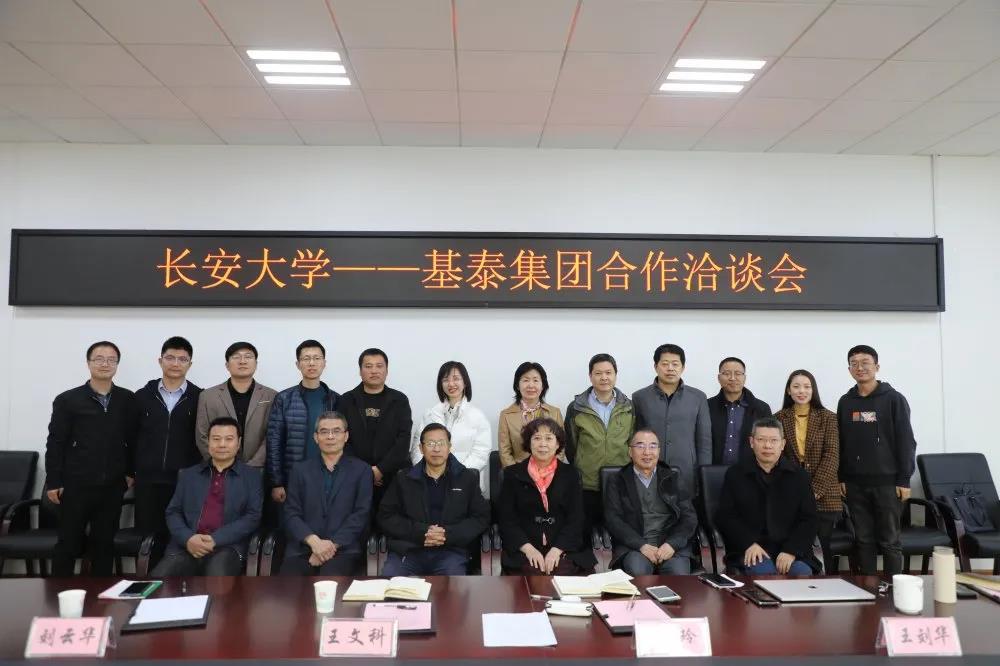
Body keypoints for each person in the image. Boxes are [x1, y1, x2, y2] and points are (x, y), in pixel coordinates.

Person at [45, 341, 138, 576]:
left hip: (112, 486)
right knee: (68, 543)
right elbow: (56, 443)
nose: (105, 364)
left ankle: (100, 595)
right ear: (88, 363)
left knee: (104, 544)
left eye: (111, 359)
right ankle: (59, 594)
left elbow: (133, 440)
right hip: (76, 485)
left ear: (117, 364)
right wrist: (54, 481)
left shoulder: (127, 399)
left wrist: (130, 472)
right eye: (99, 358)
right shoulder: (68, 400)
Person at [837, 345, 916, 576]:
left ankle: (893, 588)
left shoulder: (894, 399)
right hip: (854, 484)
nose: (860, 367)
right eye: (854, 364)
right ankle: (868, 588)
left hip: (887, 483)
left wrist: (904, 479)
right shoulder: (846, 401)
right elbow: (841, 441)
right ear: (849, 369)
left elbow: (906, 441)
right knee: (863, 539)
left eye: (865, 362)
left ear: (877, 367)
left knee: (890, 540)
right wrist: (842, 476)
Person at [152, 417, 263, 576]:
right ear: (208, 443)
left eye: (229, 439)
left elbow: (252, 517)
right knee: (158, 580)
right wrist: (188, 538)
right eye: (216, 439)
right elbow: (173, 512)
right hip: (187, 546)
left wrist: (215, 539)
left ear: (238, 443)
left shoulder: (252, 477)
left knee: (216, 579)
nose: (222, 444)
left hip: (227, 547)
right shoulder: (189, 475)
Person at [379, 423, 491, 575]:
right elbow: (386, 516)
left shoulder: (466, 478)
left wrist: (447, 534)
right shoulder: (403, 478)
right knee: (391, 584)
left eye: (441, 443)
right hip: (408, 550)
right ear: (421, 448)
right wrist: (421, 532)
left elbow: (481, 517)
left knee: (451, 587)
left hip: (451, 552)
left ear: (449, 447)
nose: (436, 449)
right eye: (431, 444)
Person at [715, 417, 820, 576]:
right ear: (751, 442)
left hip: (790, 550)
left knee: (801, 573)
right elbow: (725, 516)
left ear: (782, 444)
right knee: (765, 573)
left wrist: (791, 550)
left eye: (773, 440)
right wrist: (748, 543)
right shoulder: (735, 474)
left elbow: (809, 519)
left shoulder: (799, 476)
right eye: (761, 440)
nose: (767, 446)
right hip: (750, 548)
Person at [133, 336, 202, 565]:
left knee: (181, 538)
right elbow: (129, 437)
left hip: (185, 480)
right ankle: (150, 582)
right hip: (148, 480)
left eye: (182, 359)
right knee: (148, 539)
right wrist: (130, 471)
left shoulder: (200, 397)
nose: (175, 363)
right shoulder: (141, 396)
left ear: (190, 364)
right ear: (160, 360)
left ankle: (179, 584)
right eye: (170, 357)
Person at [498, 417, 596, 575]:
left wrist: (557, 550)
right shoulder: (512, 474)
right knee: (534, 573)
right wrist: (528, 549)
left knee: (562, 573)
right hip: (525, 548)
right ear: (529, 443)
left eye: (549, 438)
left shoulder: (571, 474)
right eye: (537, 438)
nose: (542, 444)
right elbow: (507, 520)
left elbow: (576, 519)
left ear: (557, 444)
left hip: (564, 547)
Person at [281, 411, 373, 575]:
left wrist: (330, 546)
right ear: (316, 437)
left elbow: (361, 514)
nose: (330, 436)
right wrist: (314, 542)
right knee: (288, 586)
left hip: (343, 550)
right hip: (303, 548)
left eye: (336, 431)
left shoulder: (362, 470)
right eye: (324, 432)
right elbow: (291, 513)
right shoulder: (300, 470)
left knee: (330, 582)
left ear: (346, 436)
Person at [603, 429, 698, 575]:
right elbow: (613, 520)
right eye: (640, 446)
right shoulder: (617, 481)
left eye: (653, 446)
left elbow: (689, 518)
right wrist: (641, 545)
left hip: (670, 546)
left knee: (678, 575)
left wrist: (672, 544)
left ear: (659, 451)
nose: (647, 452)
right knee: (638, 572)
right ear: (630, 452)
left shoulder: (673, 478)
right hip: (635, 547)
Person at [775, 369, 841, 574]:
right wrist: (797, 492)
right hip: (791, 494)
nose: (801, 391)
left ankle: (829, 585)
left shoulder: (829, 418)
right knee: (799, 548)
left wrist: (813, 492)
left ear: (813, 390)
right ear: (788, 390)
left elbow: (832, 455)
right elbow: (778, 457)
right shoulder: (778, 418)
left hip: (825, 495)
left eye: (806, 386)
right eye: (796, 386)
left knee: (825, 549)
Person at [564, 353, 635, 538]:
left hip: (620, 481)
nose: (604, 377)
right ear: (590, 376)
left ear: (615, 375)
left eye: (608, 372)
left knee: (618, 534)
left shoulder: (629, 407)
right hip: (588, 483)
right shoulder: (576, 407)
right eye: (598, 373)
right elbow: (571, 445)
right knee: (587, 533)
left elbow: (632, 442)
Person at [266, 340, 340, 508]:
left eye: (316, 358)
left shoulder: (335, 399)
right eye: (306, 358)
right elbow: (274, 442)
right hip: (293, 477)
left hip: (328, 477)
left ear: (324, 363)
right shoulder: (284, 398)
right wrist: (277, 482)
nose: (311, 363)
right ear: (298, 364)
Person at [339, 348, 412, 511]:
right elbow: (341, 440)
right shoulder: (346, 400)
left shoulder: (399, 400)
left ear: (387, 370)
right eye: (368, 366)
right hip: (354, 476)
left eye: (379, 366)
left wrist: (380, 470)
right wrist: (366, 472)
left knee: (390, 519)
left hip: (392, 477)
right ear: (360, 371)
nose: (374, 371)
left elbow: (403, 439)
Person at [631, 344, 711, 491]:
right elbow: (635, 438)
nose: (670, 368)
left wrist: (704, 474)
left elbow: (704, 441)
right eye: (665, 364)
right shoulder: (639, 397)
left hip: (687, 473)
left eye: (675, 364)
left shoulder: (698, 397)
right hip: (649, 471)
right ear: (656, 367)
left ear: (683, 367)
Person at [411, 361, 492, 496]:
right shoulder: (430, 414)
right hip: (430, 481)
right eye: (445, 380)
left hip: (465, 484)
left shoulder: (478, 416)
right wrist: (427, 472)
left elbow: (481, 452)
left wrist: (459, 474)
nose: (451, 384)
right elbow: (417, 448)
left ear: (465, 382)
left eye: (456, 378)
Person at [196, 342, 276, 472]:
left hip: (259, 471)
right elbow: (202, 435)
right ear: (227, 365)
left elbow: (273, 435)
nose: (242, 361)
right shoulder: (208, 396)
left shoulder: (272, 396)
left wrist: (253, 466)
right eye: (236, 357)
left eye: (248, 356)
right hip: (218, 470)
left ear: (256, 364)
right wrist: (220, 463)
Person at [498, 362, 564, 467]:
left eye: (536, 380)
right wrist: (515, 473)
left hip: (550, 472)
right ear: (517, 385)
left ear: (543, 385)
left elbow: (561, 447)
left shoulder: (554, 413)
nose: (531, 385)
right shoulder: (506, 415)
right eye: (526, 380)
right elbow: (505, 452)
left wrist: (551, 471)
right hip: (518, 472)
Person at [707, 357, 772, 465]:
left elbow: (768, 442)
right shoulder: (707, 406)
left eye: (738, 374)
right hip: (713, 470)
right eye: (727, 373)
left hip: (750, 471)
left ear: (744, 378)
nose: (732, 378)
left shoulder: (761, 408)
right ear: (719, 378)